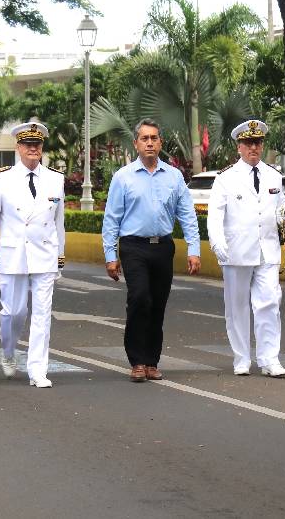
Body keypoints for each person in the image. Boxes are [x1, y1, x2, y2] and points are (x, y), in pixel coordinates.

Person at [101, 119, 201, 383]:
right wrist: (111, 256)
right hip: (134, 247)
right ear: (136, 143)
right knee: (139, 298)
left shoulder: (174, 176)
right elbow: (111, 219)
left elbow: (187, 215)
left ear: (160, 143)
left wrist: (194, 249)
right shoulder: (123, 177)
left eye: (154, 138)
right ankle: (137, 360)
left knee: (157, 305)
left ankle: (152, 361)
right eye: (144, 138)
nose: (149, 143)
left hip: (163, 247)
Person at [0, 121, 66, 387]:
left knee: (42, 314)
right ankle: (8, 352)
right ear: (18, 147)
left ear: (42, 148)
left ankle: (38, 370)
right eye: (28, 145)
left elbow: (58, 223)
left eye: (37, 145)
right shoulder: (1, 178)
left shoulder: (55, 178)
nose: (33, 149)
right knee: (14, 312)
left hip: (44, 254)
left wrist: (59, 259)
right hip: (13, 255)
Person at [206, 120, 285, 378]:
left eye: (258, 143)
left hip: (267, 249)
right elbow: (215, 214)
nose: (254, 147)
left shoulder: (274, 175)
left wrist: (284, 213)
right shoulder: (226, 178)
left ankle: (269, 359)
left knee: (268, 303)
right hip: (236, 251)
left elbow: (281, 203)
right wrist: (217, 242)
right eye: (248, 143)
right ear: (239, 146)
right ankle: (241, 358)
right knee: (237, 307)